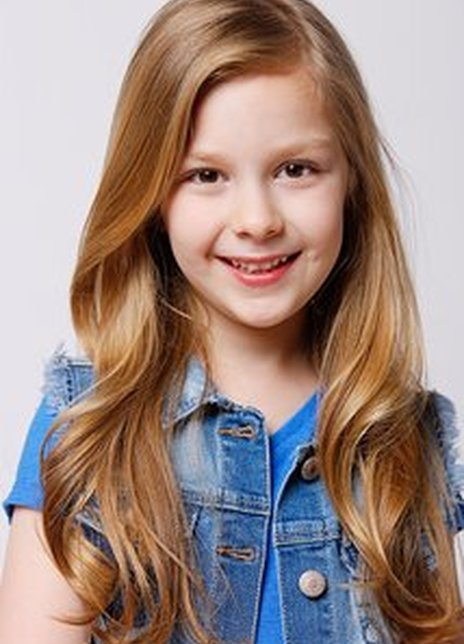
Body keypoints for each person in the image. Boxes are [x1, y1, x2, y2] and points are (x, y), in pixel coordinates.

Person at [0, 0, 463, 641]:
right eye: (206, 175)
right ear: (151, 196)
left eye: (295, 170)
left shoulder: (402, 439)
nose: (257, 219)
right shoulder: (89, 426)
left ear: (352, 182)